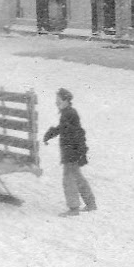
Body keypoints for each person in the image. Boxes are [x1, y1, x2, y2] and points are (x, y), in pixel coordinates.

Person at [42, 88, 96, 216]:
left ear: (66, 100)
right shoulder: (68, 112)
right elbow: (65, 128)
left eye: (58, 100)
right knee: (77, 177)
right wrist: (51, 134)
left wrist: (51, 133)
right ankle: (90, 203)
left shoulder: (69, 113)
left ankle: (74, 208)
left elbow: (68, 130)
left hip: (71, 151)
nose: (56, 103)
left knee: (69, 180)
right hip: (73, 151)